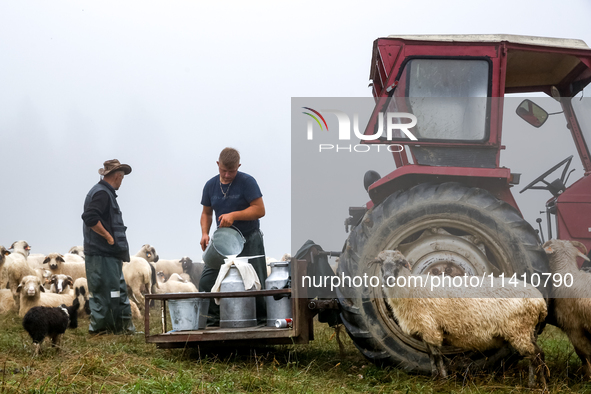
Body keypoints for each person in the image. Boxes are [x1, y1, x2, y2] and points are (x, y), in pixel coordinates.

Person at [199, 147, 267, 325]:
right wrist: (205, 233)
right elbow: (206, 213)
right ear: (217, 164)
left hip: (249, 238)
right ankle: (212, 321)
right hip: (223, 241)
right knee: (207, 280)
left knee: (256, 280)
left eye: (232, 171)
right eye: (223, 170)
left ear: (239, 166)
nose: (227, 175)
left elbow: (260, 210)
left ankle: (261, 320)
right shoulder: (210, 185)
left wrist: (234, 215)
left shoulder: (247, 182)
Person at [81, 159, 135, 335]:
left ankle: (120, 328)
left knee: (115, 291)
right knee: (105, 292)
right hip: (101, 254)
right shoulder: (102, 194)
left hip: (109, 255)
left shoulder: (105, 193)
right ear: (118, 177)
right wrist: (108, 236)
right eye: (122, 178)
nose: (122, 182)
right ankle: (101, 329)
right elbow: (90, 218)